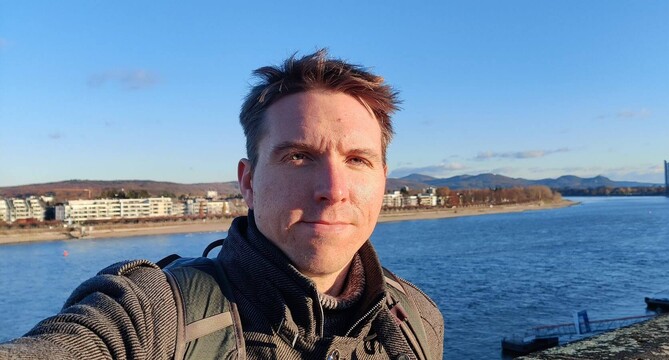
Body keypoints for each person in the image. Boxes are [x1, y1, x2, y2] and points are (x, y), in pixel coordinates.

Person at [0, 50, 444, 360]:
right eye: (298, 156)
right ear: (248, 182)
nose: (333, 188)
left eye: (357, 160)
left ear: (383, 182)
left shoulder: (418, 320)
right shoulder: (155, 317)